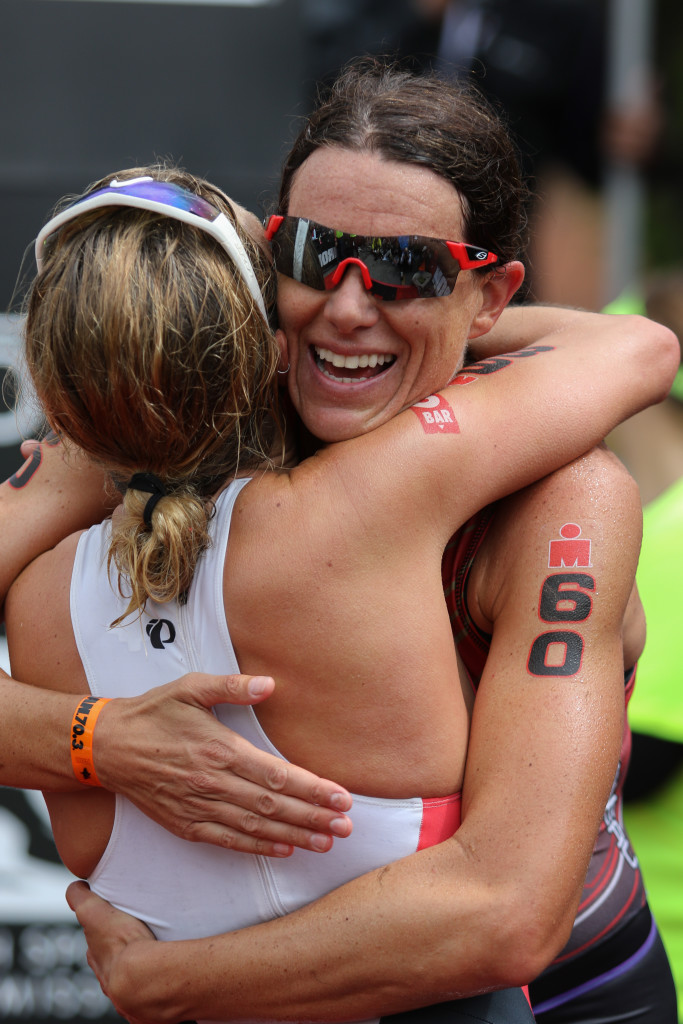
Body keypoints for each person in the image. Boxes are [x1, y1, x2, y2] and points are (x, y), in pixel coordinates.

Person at [2, 62, 679, 1023]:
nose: (351, 308)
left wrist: (172, 982)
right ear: (266, 265)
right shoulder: (144, 448)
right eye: (318, 256)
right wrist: (98, 739)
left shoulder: (554, 491)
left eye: (408, 270)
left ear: (491, 298)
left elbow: (505, 910)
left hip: (565, 989)